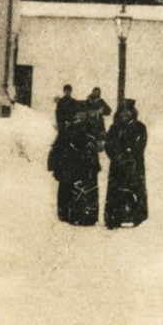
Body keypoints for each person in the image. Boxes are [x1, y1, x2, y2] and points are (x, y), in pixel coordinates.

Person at [48, 109, 101, 225]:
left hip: (86, 165)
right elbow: (58, 146)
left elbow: (97, 145)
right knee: (68, 190)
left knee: (86, 190)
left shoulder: (91, 127)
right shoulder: (67, 129)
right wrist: (54, 163)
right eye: (78, 114)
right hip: (69, 164)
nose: (80, 116)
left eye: (82, 114)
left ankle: (86, 216)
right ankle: (67, 214)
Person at [104, 99, 148, 228]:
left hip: (133, 164)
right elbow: (108, 144)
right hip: (117, 164)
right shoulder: (114, 128)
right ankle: (114, 218)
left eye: (127, 112)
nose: (125, 115)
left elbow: (140, 144)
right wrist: (116, 155)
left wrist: (129, 155)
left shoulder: (140, 127)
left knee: (134, 189)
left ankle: (136, 217)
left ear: (133, 113)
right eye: (122, 112)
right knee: (116, 190)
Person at [84, 87, 112, 151]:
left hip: (99, 123)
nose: (96, 94)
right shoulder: (87, 102)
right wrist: (91, 112)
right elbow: (84, 111)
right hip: (90, 124)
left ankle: (99, 146)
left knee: (100, 137)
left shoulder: (101, 101)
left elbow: (109, 111)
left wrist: (102, 110)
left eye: (98, 92)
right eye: (95, 92)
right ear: (92, 92)